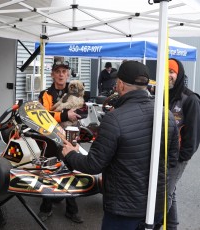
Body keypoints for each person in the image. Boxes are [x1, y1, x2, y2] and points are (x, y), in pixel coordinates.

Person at [62, 61, 179, 230]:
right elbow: (172, 160)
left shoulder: (114, 118)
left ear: (121, 85)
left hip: (124, 211)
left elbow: (93, 164)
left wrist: (70, 153)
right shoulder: (166, 114)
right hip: (156, 205)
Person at [37, 57, 84, 224]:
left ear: (68, 74)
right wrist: (65, 115)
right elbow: (43, 115)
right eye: (58, 72)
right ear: (52, 75)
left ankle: (72, 210)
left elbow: (81, 110)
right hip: (50, 138)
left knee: (70, 169)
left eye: (64, 72)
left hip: (70, 137)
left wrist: (75, 114)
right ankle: (46, 207)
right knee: (50, 171)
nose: (61, 75)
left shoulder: (74, 90)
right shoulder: (45, 94)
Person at [164, 58, 200, 229]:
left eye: (171, 72)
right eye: (165, 72)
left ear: (179, 75)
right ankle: (171, 226)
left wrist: (182, 156)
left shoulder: (190, 99)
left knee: (164, 194)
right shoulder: (162, 96)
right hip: (161, 154)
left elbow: (193, 134)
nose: (168, 75)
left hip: (177, 157)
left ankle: (155, 224)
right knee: (170, 191)